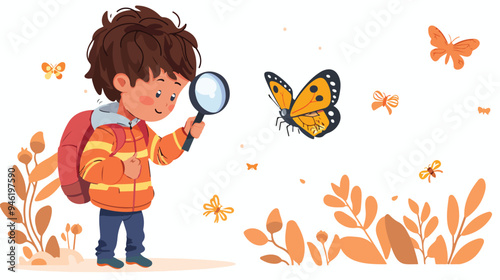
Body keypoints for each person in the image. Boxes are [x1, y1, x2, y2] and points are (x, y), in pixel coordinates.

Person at [80, 5, 204, 269]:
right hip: (111, 200)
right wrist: (121, 167)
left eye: (173, 96)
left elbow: (159, 153)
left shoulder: (142, 128)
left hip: (137, 200)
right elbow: (89, 168)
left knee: (137, 232)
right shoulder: (105, 131)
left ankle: (134, 253)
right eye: (159, 93)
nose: (165, 105)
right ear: (122, 83)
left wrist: (183, 134)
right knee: (109, 231)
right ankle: (104, 255)